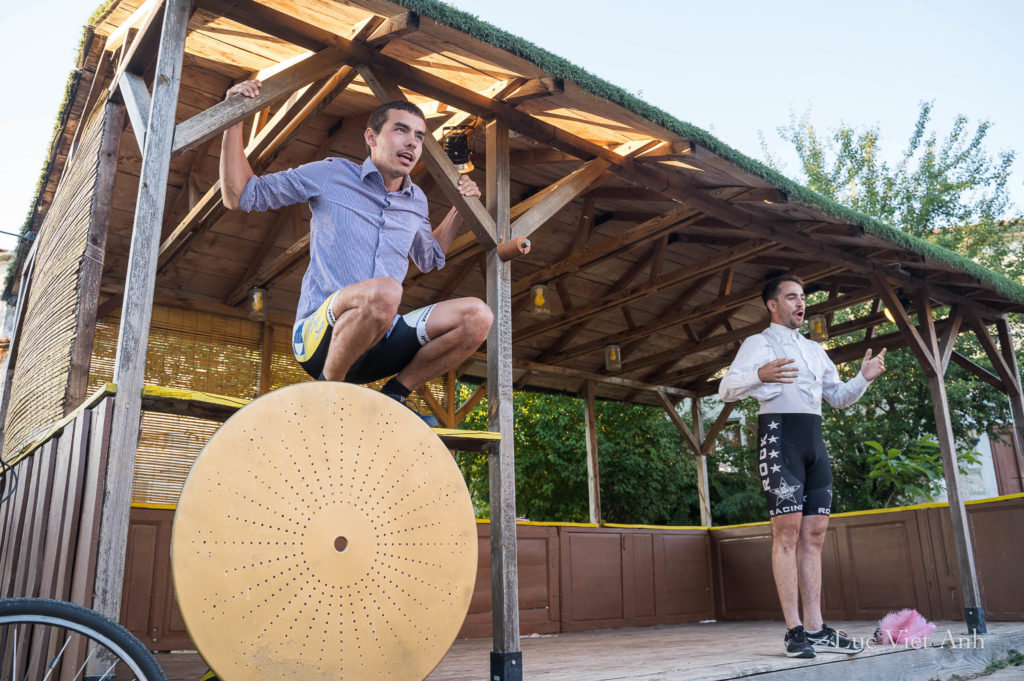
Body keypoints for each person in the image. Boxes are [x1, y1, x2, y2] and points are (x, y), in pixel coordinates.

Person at [219, 80, 493, 426]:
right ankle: (328, 398)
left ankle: (394, 396)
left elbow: (430, 257)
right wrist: (234, 119)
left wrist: (460, 208)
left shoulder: (416, 201)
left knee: (478, 316)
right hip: (319, 340)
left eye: (420, 136)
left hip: (378, 342)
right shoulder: (332, 174)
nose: (412, 141)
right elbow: (242, 194)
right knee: (387, 291)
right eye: (401, 130)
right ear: (371, 138)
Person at [718, 274, 886, 658]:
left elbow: (839, 398)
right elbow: (726, 389)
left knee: (815, 535)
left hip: (814, 440)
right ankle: (794, 631)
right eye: (791, 297)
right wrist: (758, 375)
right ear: (772, 305)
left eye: (803, 297)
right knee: (787, 533)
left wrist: (864, 377)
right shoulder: (756, 344)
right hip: (779, 437)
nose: (801, 303)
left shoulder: (814, 350)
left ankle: (816, 629)